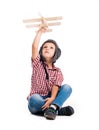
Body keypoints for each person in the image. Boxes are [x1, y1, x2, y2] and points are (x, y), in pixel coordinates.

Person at [27, 19, 74, 120]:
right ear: (41, 51)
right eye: (45, 47)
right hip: (38, 99)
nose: (47, 48)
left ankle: (52, 107)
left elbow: (56, 86)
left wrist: (52, 98)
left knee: (67, 88)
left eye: (51, 47)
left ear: (55, 53)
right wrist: (40, 31)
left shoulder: (57, 71)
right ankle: (56, 109)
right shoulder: (37, 64)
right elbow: (34, 47)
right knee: (34, 99)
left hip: (51, 98)